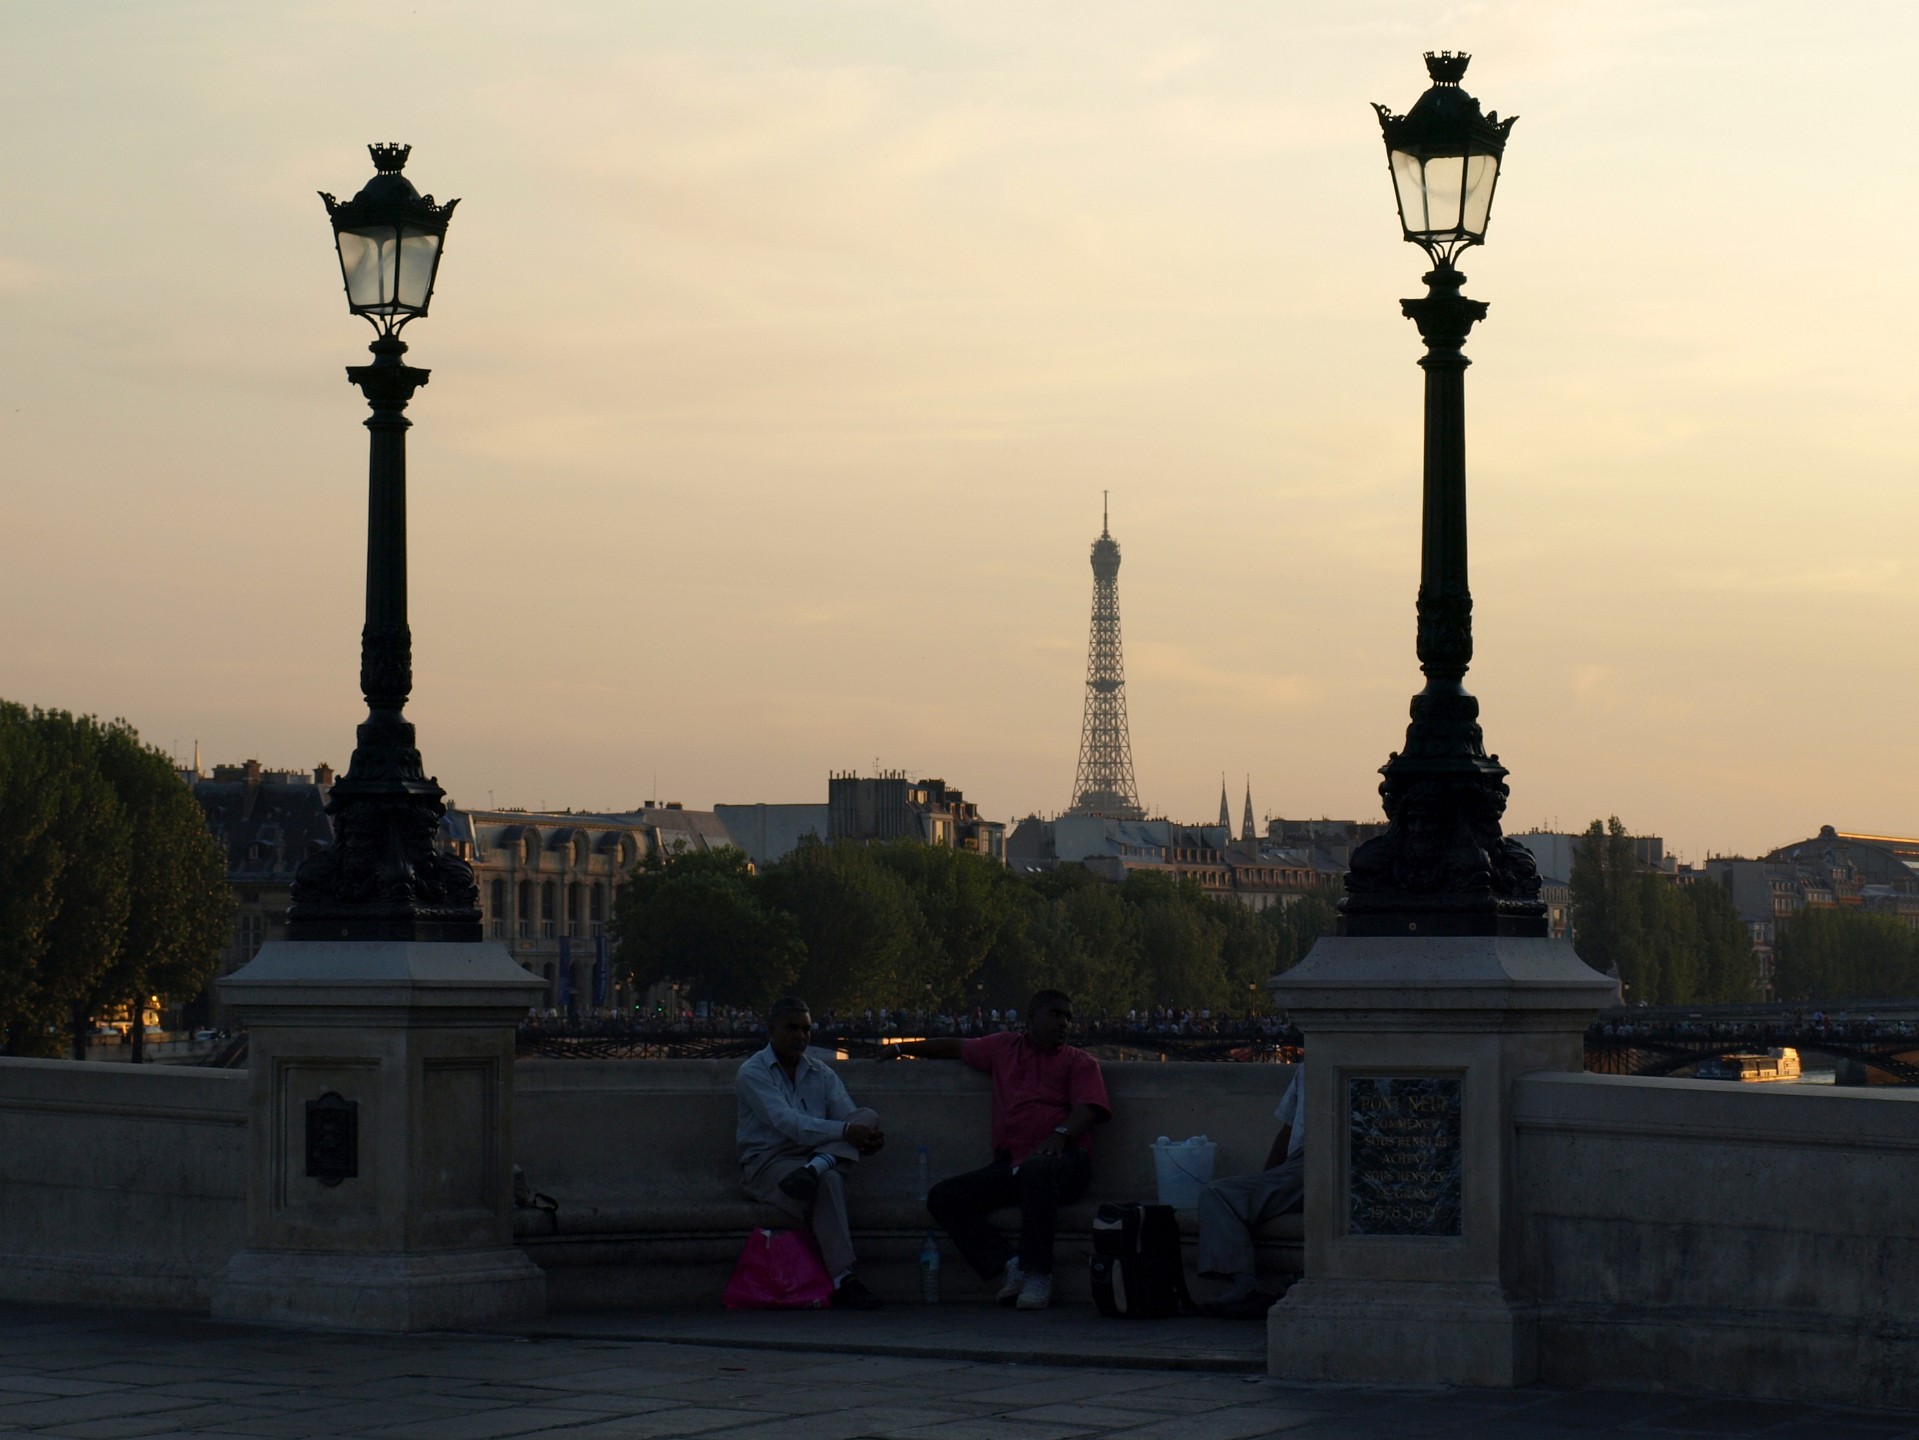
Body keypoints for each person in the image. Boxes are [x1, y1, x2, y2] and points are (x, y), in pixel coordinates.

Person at [893, 989, 1110, 1311]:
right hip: (1015, 1164)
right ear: (1030, 1019)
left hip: (1066, 1163)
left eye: (1068, 1017)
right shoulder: (1003, 1048)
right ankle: (1009, 1264)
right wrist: (899, 1047)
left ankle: (1039, 1273)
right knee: (944, 1197)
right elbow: (955, 1047)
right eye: (1055, 1014)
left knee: (1038, 1170)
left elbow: (1089, 1108)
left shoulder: (1079, 1062)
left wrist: (1060, 1135)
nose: (1063, 1023)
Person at [735, 995, 886, 1310]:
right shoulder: (753, 1073)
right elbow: (787, 1123)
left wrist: (862, 1134)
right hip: (770, 1165)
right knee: (829, 1180)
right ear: (770, 1030)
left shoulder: (821, 1073)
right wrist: (848, 1136)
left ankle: (816, 1168)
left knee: (867, 1116)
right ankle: (844, 1278)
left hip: (810, 1158)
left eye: (805, 1029)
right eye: (792, 1028)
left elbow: (850, 1115)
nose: (800, 1037)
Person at [1194, 1064, 1304, 1319]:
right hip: (1297, 1168)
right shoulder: (1305, 1069)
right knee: (1216, 1194)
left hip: (1332, 1160)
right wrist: (1265, 1181)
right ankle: (1246, 1286)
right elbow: (1288, 1129)